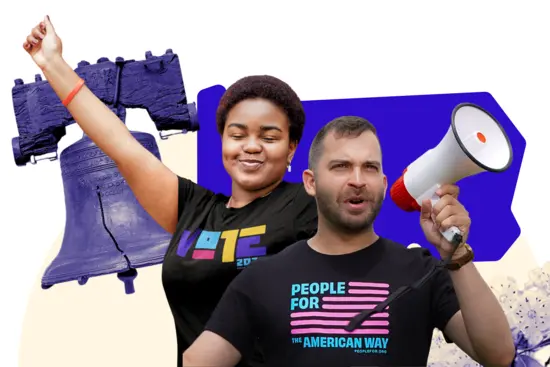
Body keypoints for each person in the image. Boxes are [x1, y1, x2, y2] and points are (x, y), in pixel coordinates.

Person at [23, 16, 318, 367]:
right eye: (238, 135)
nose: (251, 147)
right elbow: (119, 144)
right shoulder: (192, 208)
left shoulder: (307, 204)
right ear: (222, 141)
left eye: (269, 137)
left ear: (291, 148)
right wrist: (52, 63)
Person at [181, 116, 517, 367]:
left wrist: (456, 254)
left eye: (369, 168)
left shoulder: (422, 270)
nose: (357, 180)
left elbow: (498, 354)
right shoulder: (262, 277)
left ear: (384, 183)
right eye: (341, 167)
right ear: (310, 182)